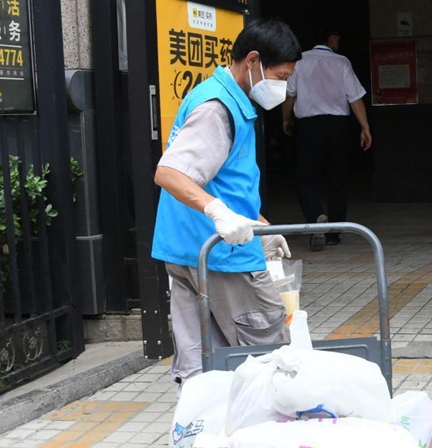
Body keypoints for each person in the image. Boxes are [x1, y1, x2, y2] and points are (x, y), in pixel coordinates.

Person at [152, 19, 302, 388]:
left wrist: (261, 226)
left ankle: (206, 422)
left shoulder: (219, 96)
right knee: (269, 354)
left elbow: (223, 181)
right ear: (253, 61)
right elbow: (169, 173)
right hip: (223, 256)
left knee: (204, 360)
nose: (283, 88)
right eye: (280, 77)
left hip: (188, 249)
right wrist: (218, 213)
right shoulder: (218, 108)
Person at [281, 26, 373, 251]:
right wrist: (365, 127)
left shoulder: (299, 62)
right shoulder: (342, 62)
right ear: (331, 38)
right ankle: (334, 233)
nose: (338, 41)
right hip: (338, 127)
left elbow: (289, 95)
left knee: (305, 177)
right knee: (338, 177)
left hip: (309, 127)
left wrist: (285, 119)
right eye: (337, 37)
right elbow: (355, 98)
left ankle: (316, 218)